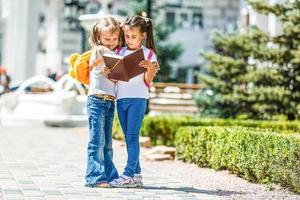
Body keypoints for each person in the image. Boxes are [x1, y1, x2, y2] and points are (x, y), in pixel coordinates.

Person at [109, 13, 160, 188]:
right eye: (128, 36)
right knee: (128, 137)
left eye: (134, 36)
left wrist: (149, 68)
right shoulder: (120, 52)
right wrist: (111, 74)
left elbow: (148, 81)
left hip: (138, 99)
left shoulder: (148, 54)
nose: (130, 40)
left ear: (143, 35)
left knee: (132, 137)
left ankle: (129, 173)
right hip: (121, 99)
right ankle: (137, 174)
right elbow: (115, 79)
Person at [83, 16, 123, 188]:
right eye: (108, 38)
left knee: (107, 142)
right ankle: (94, 177)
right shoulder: (99, 50)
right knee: (96, 141)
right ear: (99, 37)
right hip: (97, 101)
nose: (111, 42)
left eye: (115, 38)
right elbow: (110, 67)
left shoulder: (114, 52)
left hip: (109, 102)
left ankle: (109, 174)